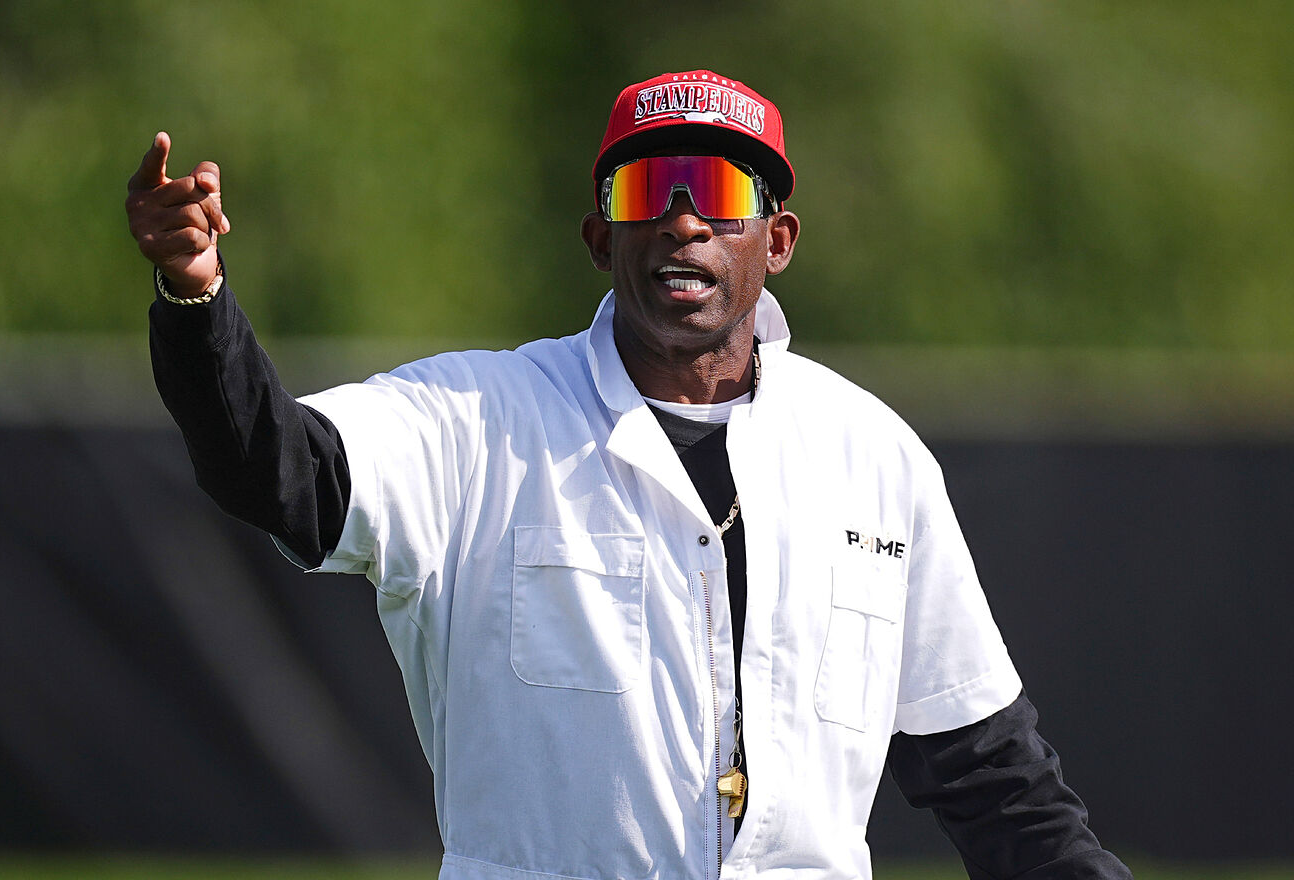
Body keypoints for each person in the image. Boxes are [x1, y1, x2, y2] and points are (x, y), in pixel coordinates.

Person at [126, 70, 1132, 880]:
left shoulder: (873, 455)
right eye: (650, 189)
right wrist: (194, 296)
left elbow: (993, 779)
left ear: (774, 240)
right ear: (601, 235)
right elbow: (273, 469)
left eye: (724, 190)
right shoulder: (476, 422)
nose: (685, 220)